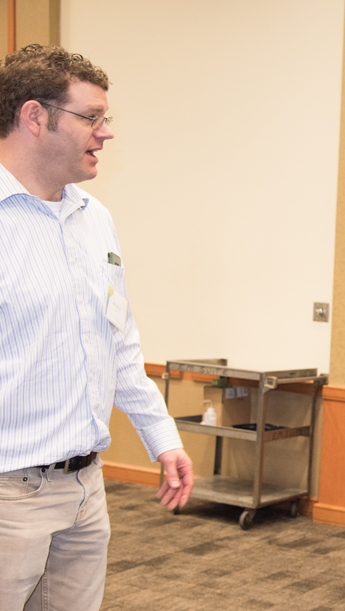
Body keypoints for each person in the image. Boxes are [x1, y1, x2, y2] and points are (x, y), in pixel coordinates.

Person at [0, 44, 193, 610]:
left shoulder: (96, 220)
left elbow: (118, 344)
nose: (105, 133)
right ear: (34, 117)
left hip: (85, 490)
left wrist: (162, 439)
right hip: (10, 494)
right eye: (91, 117)